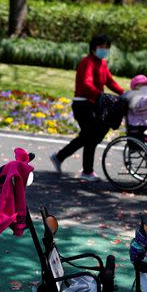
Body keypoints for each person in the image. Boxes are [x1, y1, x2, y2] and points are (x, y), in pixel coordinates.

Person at [50, 34, 124, 182]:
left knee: (88, 136)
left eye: (106, 47)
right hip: (83, 104)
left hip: (95, 104)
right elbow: (86, 83)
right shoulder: (87, 62)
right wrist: (101, 95)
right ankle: (87, 171)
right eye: (101, 47)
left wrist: (124, 93)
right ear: (93, 47)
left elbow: (109, 81)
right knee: (91, 136)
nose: (104, 50)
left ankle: (59, 157)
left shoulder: (102, 63)